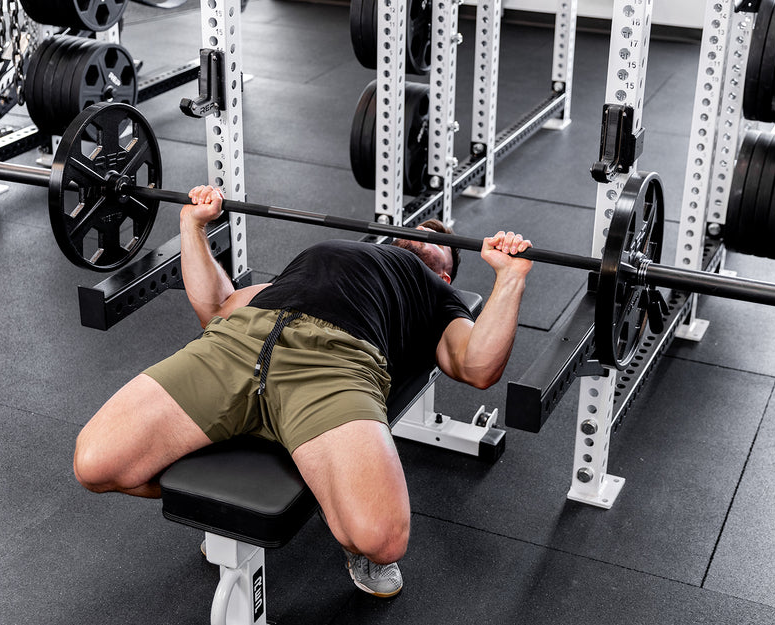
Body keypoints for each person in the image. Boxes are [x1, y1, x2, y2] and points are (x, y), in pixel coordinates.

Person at [73, 185, 534, 598]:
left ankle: (335, 506)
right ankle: (244, 498)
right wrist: (191, 225)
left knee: (382, 539)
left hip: (335, 364)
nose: (422, 237)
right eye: (413, 232)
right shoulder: (332, 253)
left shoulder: (434, 291)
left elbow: (476, 366)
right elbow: (216, 306)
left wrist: (509, 279)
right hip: (238, 341)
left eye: (439, 245)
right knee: (95, 464)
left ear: (448, 273)